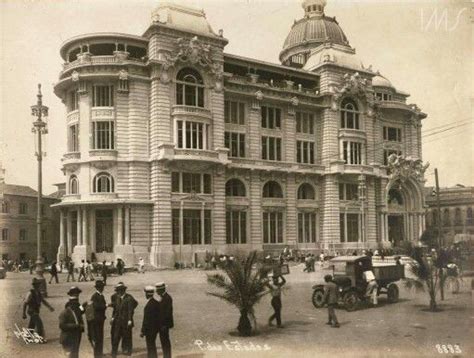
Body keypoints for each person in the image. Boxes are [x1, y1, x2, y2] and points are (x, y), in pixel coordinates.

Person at [109, 282, 138, 357]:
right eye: (117, 291)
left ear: (123, 291)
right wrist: (113, 318)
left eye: (119, 291)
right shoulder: (117, 298)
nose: (117, 293)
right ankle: (114, 353)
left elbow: (130, 310)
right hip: (118, 322)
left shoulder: (129, 298)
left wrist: (129, 320)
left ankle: (128, 353)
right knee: (115, 338)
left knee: (127, 337)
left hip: (126, 322)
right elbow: (116, 309)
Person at [59, 287, 87, 358]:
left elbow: (79, 311)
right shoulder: (74, 304)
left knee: (74, 351)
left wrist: (83, 307)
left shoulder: (74, 304)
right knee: (72, 352)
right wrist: (83, 307)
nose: (77, 295)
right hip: (72, 333)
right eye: (76, 293)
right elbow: (79, 312)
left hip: (76, 331)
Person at [141, 286, 160, 358]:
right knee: (152, 346)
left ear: (148, 294)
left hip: (149, 330)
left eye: (145, 293)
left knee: (150, 346)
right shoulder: (157, 303)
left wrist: (143, 331)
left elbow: (146, 319)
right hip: (155, 329)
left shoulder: (149, 305)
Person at [89, 279, 107, 357]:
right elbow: (96, 307)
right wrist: (105, 306)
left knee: (100, 336)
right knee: (97, 337)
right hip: (96, 319)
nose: (102, 288)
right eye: (101, 287)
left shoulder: (101, 295)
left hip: (100, 319)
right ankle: (97, 354)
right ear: (98, 288)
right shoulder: (94, 296)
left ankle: (100, 353)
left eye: (102, 287)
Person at [156, 282, 173, 358]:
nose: (156, 292)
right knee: (164, 341)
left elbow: (167, 313)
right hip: (162, 324)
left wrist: (164, 324)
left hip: (164, 324)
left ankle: (167, 356)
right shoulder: (163, 297)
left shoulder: (167, 298)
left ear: (161, 290)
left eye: (158, 290)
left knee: (165, 341)